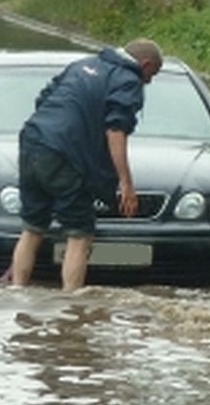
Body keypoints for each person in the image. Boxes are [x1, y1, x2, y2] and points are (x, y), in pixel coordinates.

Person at [9, 39, 163, 290]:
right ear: (145, 64)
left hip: (32, 142)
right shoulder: (128, 79)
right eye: (151, 74)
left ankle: (16, 291)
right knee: (79, 235)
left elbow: (44, 100)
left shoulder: (82, 65)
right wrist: (126, 184)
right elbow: (115, 130)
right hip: (65, 155)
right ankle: (72, 307)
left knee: (32, 228)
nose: (149, 81)